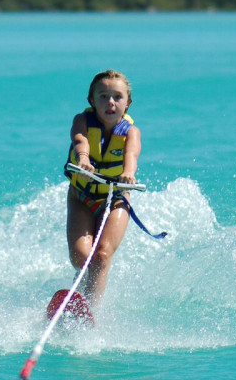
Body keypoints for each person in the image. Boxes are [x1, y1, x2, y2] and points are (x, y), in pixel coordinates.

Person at [64, 69, 140, 307]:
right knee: (81, 258)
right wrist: (84, 159)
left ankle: (91, 310)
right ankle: (82, 289)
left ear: (127, 104)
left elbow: (131, 154)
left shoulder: (131, 132)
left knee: (102, 256)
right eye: (103, 96)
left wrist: (129, 173)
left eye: (117, 97)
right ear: (91, 101)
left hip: (116, 199)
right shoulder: (82, 121)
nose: (110, 102)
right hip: (82, 198)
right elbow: (80, 140)